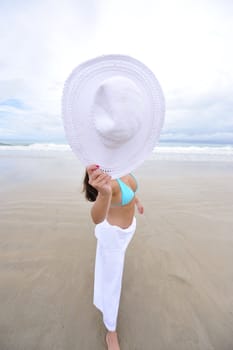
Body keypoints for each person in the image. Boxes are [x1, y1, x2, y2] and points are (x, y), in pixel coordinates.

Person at [83, 164, 144, 350]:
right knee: (112, 283)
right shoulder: (109, 180)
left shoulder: (124, 164)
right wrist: (104, 194)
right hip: (113, 239)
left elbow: (130, 191)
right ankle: (111, 331)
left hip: (126, 232)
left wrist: (137, 202)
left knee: (112, 274)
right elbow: (96, 217)